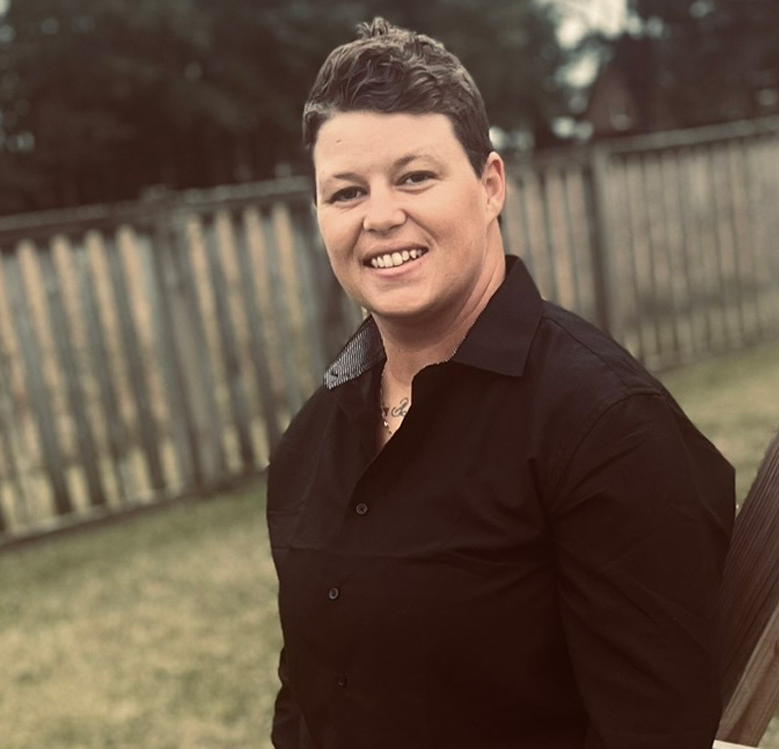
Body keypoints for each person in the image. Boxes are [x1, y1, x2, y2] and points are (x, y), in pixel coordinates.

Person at [267, 18, 736, 749]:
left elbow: (654, 731)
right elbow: (305, 701)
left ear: (490, 186)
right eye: (347, 192)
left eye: (414, 177)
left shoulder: (605, 425)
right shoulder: (312, 437)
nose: (381, 216)